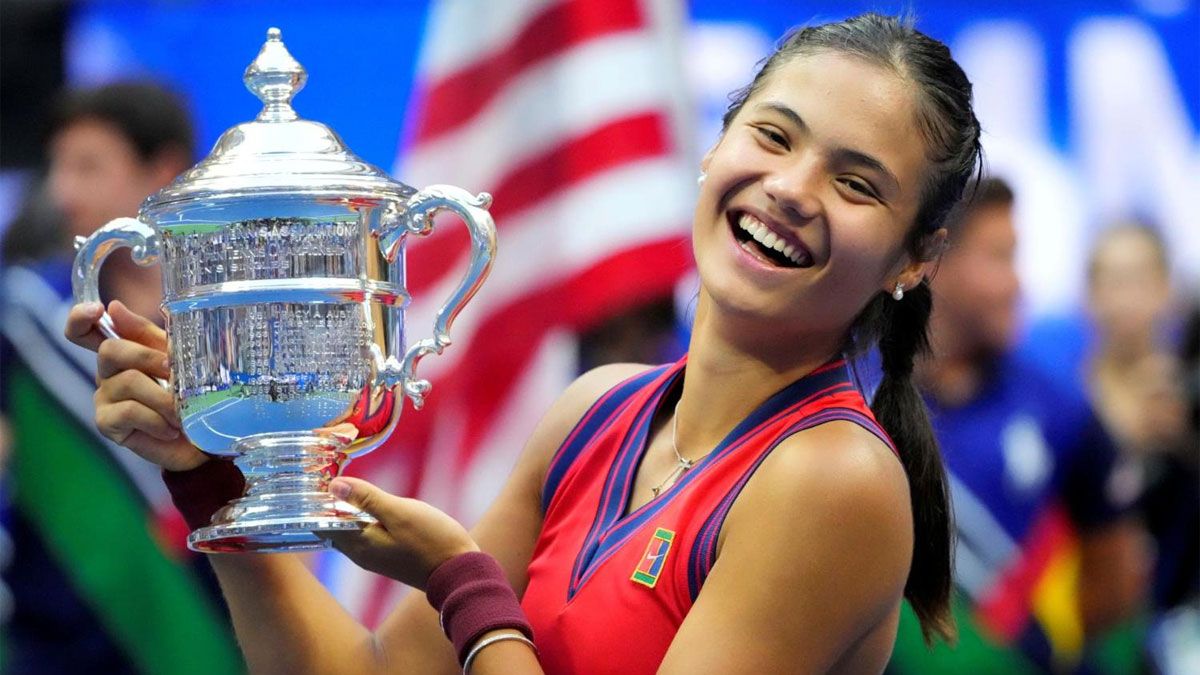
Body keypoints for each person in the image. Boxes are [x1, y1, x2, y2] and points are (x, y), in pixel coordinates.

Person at [66, 14, 983, 674]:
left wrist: (461, 583)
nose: (790, 187)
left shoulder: (834, 480)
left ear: (914, 257)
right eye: (773, 136)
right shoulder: (598, 409)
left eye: (856, 184)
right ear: (717, 147)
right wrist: (206, 476)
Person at [1, 82, 242, 674]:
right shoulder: (23, 323)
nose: (61, 192)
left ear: (161, 170)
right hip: (61, 643)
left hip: (231, 624)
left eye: (87, 167)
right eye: (58, 166)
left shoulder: (238, 322)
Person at [888, 178, 1148, 674]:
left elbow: (1116, 579)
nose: (1018, 284)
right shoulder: (858, 396)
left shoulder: (1061, 406)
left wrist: (1044, 648)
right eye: (1001, 257)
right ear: (937, 262)